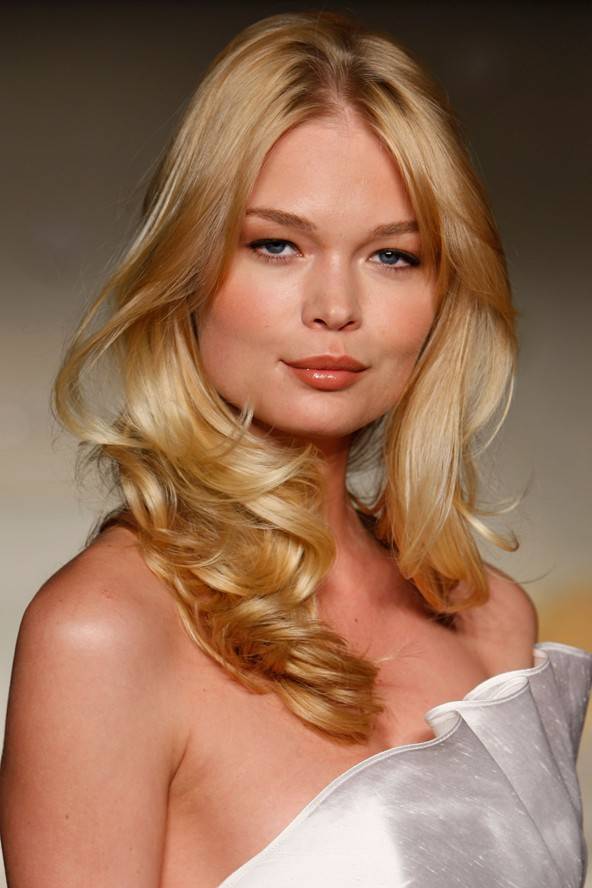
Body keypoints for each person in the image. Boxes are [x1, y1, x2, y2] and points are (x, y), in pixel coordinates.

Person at [1, 10, 590, 888]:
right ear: (190, 268)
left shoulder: (492, 622)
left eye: (393, 256)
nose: (335, 307)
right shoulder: (107, 634)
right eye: (276, 245)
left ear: (443, 293)